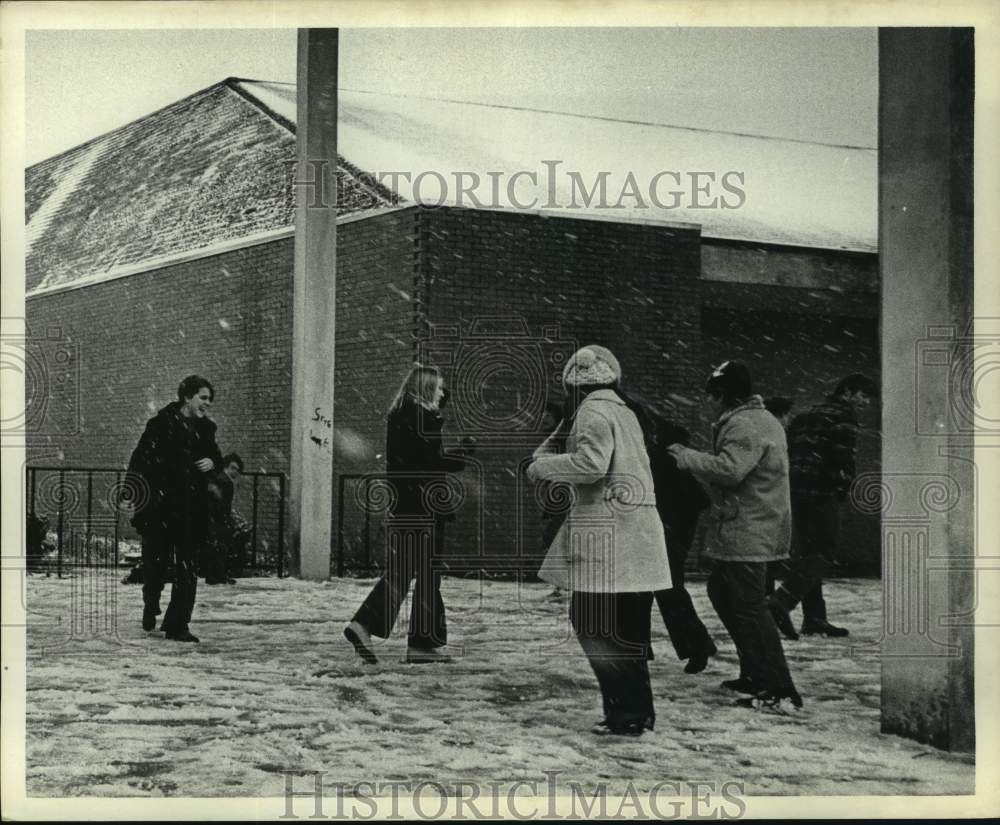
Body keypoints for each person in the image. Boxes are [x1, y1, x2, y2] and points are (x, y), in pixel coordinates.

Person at [527, 345, 672, 737]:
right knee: (628, 631)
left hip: (607, 539)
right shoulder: (626, 412)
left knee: (593, 625)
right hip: (636, 536)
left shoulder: (592, 411)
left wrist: (542, 467)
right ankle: (636, 712)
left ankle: (624, 713)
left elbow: (591, 465)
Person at [667, 361, 802, 709]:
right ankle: (755, 672)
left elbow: (730, 470)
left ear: (723, 395)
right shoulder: (761, 419)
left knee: (749, 605)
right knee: (723, 592)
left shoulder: (744, 424)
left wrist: (686, 456)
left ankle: (778, 687)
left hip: (750, 525)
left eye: (712, 395)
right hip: (754, 521)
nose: (709, 402)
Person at [344, 365, 470, 665]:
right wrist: (462, 454)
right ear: (426, 389)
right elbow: (431, 462)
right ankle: (378, 629)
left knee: (413, 571)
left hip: (408, 507)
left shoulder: (403, 416)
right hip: (423, 508)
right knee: (423, 574)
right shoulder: (421, 418)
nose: (443, 392)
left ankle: (413, 641)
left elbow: (419, 459)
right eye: (438, 387)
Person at [768, 374, 877, 639]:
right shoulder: (844, 418)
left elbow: (790, 451)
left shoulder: (806, 415)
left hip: (796, 491)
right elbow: (842, 459)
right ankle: (782, 601)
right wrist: (841, 488)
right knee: (824, 552)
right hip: (821, 493)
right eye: (862, 396)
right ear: (848, 392)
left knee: (807, 553)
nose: (865, 403)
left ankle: (815, 618)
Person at [125, 375, 222, 643]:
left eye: (209, 400)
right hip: (161, 506)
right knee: (156, 564)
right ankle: (150, 601)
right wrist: (130, 491)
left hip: (192, 509)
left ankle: (177, 624)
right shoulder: (160, 425)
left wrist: (212, 463)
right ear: (187, 397)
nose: (207, 404)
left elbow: (216, 456)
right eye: (203, 398)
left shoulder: (206, 429)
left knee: (187, 567)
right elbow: (140, 458)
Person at [640, 408, 717, 674]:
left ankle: (694, 646)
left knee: (660, 584)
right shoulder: (652, 434)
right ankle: (694, 646)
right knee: (658, 584)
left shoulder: (649, 440)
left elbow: (666, 486)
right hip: (671, 514)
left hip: (671, 515)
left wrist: (666, 525)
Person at [202, 452, 244, 585]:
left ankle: (215, 576)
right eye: (234, 468)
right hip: (219, 520)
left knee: (217, 548)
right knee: (220, 548)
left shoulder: (218, 479)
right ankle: (217, 576)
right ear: (228, 467)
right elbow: (221, 503)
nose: (236, 472)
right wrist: (225, 519)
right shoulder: (225, 481)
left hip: (215, 519)